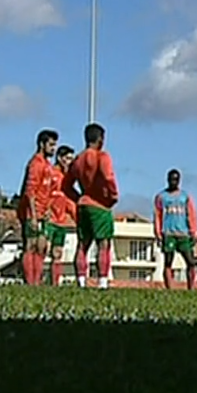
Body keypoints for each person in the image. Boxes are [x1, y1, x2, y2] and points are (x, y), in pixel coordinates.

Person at [63, 123, 119, 289]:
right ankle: (102, 281)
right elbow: (108, 177)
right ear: (101, 139)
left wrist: (78, 197)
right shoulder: (102, 157)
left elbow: (66, 185)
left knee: (83, 244)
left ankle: (81, 280)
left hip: (83, 204)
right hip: (100, 205)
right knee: (104, 244)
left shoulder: (78, 160)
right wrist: (113, 195)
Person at [17, 129, 58, 285]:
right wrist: (33, 215)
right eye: (51, 145)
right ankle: (30, 281)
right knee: (30, 245)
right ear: (42, 144)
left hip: (43, 212)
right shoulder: (35, 164)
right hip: (31, 212)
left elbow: (48, 191)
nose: (53, 149)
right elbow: (30, 191)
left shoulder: (48, 166)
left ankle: (37, 280)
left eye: (55, 145)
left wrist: (47, 209)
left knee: (42, 247)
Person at [154, 169, 197, 290]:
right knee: (168, 261)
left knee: (190, 262)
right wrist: (158, 233)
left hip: (183, 233)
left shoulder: (185, 197)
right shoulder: (161, 197)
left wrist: (193, 231)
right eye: (171, 179)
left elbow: (191, 214)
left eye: (176, 180)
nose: (173, 182)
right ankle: (169, 287)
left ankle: (191, 287)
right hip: (169, 233)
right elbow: (157, 216)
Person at [47, 145, 76, 286]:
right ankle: (33, 282)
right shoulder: (51, 173)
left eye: (72, 159)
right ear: (60, 158)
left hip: (61, 221)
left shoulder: (68, 180)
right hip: (49, 220)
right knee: (42, 250)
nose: (70, 162)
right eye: (68, 158)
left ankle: (54, 283)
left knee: (57, 253)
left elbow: (70, 201)